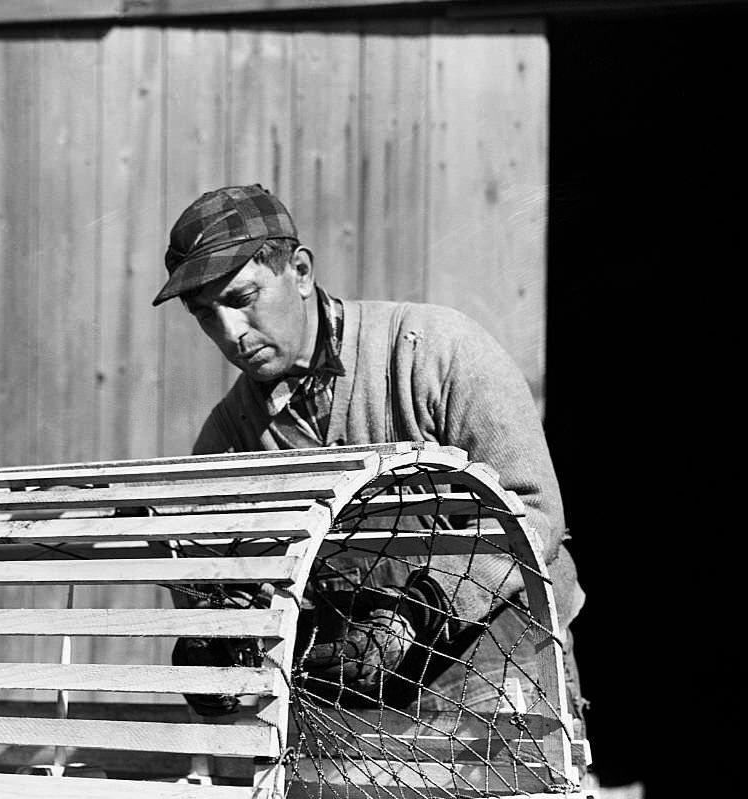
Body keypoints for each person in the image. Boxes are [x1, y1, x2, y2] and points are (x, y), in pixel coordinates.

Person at [153, 184, 585, 724]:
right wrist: (212, 648)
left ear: (302, 272)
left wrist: (414, 614)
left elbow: (535, 511)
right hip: (349, 703)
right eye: (205, 315)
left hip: (497, 671)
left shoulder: (434, 352)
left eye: (243, 299)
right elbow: (217, 582)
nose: (230, 332)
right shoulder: (230, 434)